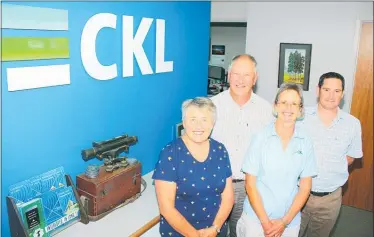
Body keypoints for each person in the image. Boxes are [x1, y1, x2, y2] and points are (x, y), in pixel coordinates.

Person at [237, 83, 317, 237]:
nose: (288, 108)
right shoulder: (260, 137)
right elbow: (250, 184)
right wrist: (265, 222)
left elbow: (305, 188)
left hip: (289, 221)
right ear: (275, 106)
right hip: (256, 220)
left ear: (300, 109)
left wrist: (284, 222)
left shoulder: (305, 140)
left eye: (294, 104)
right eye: (284, 102)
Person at [153, 97, 235, 237]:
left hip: (216, 230)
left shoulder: (220, 150)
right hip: (180, 233)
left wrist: (215, 228)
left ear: (212, 123)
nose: (199, 126)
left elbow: (228, 198)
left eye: (204, 120)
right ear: (184, 123)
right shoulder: (170, 154)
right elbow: (167, 209)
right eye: (192, 119)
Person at [210, 54, 273, 237]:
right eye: (236, 74)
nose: (240, 80)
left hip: (250, 188)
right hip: (217, 185)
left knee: (242, 233)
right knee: (216, 232)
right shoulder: (212, 106)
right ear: (228, 75)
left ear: (255, 78)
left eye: (247, 75)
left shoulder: (267, 111)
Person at [298, 72, 363, 237]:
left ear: (342, 94)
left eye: (337, 91)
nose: (331, 95)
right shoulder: (300, 118)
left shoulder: (353, 124)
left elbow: (350, 158)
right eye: (326, 89)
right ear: (317, 90)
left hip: (330, 200)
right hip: (297, 194)